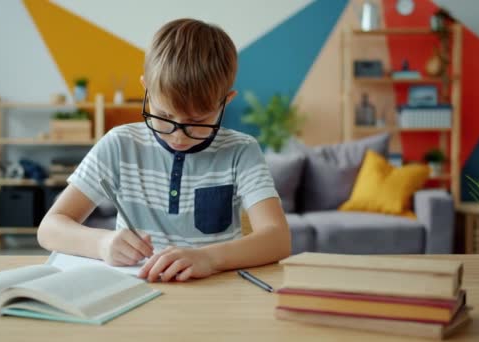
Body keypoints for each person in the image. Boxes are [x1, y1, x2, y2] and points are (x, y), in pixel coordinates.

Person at [38, 18, 291, 282]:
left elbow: (278, 239)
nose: (178, 136)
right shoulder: (120, 144)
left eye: (198, 121)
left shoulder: (241, 151)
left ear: (225, 102)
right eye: (164, 115)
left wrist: (209, 258)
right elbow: (49, 228)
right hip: (133, 292)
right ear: (147, 89)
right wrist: (102, 243)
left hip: (216, 296)